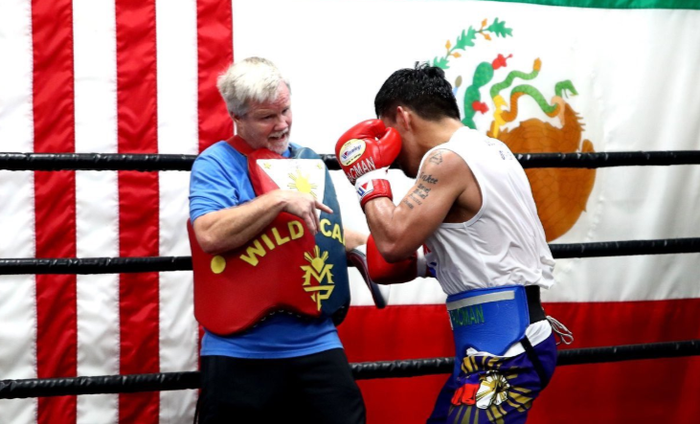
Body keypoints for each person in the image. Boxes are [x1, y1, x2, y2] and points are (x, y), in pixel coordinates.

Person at [335, 63, 572, 423]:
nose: (392, 157)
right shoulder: (491, 150)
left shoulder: (446, 159)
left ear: (403, 117)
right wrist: (408, 260)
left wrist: (366, 175)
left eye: (387, 133)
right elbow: (486, 248)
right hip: (495, 348)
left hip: (505, 353)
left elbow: (394, 241)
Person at [189, 57, 366, 423]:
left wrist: (383, 248)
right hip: (240, 347)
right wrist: (277, 199)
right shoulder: (216, 164)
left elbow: (324, 231)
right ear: (237, 117)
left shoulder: (305, 162)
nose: (282, 123)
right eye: (267, 117)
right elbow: (208, 233)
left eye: (285, 110)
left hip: (316, 339)